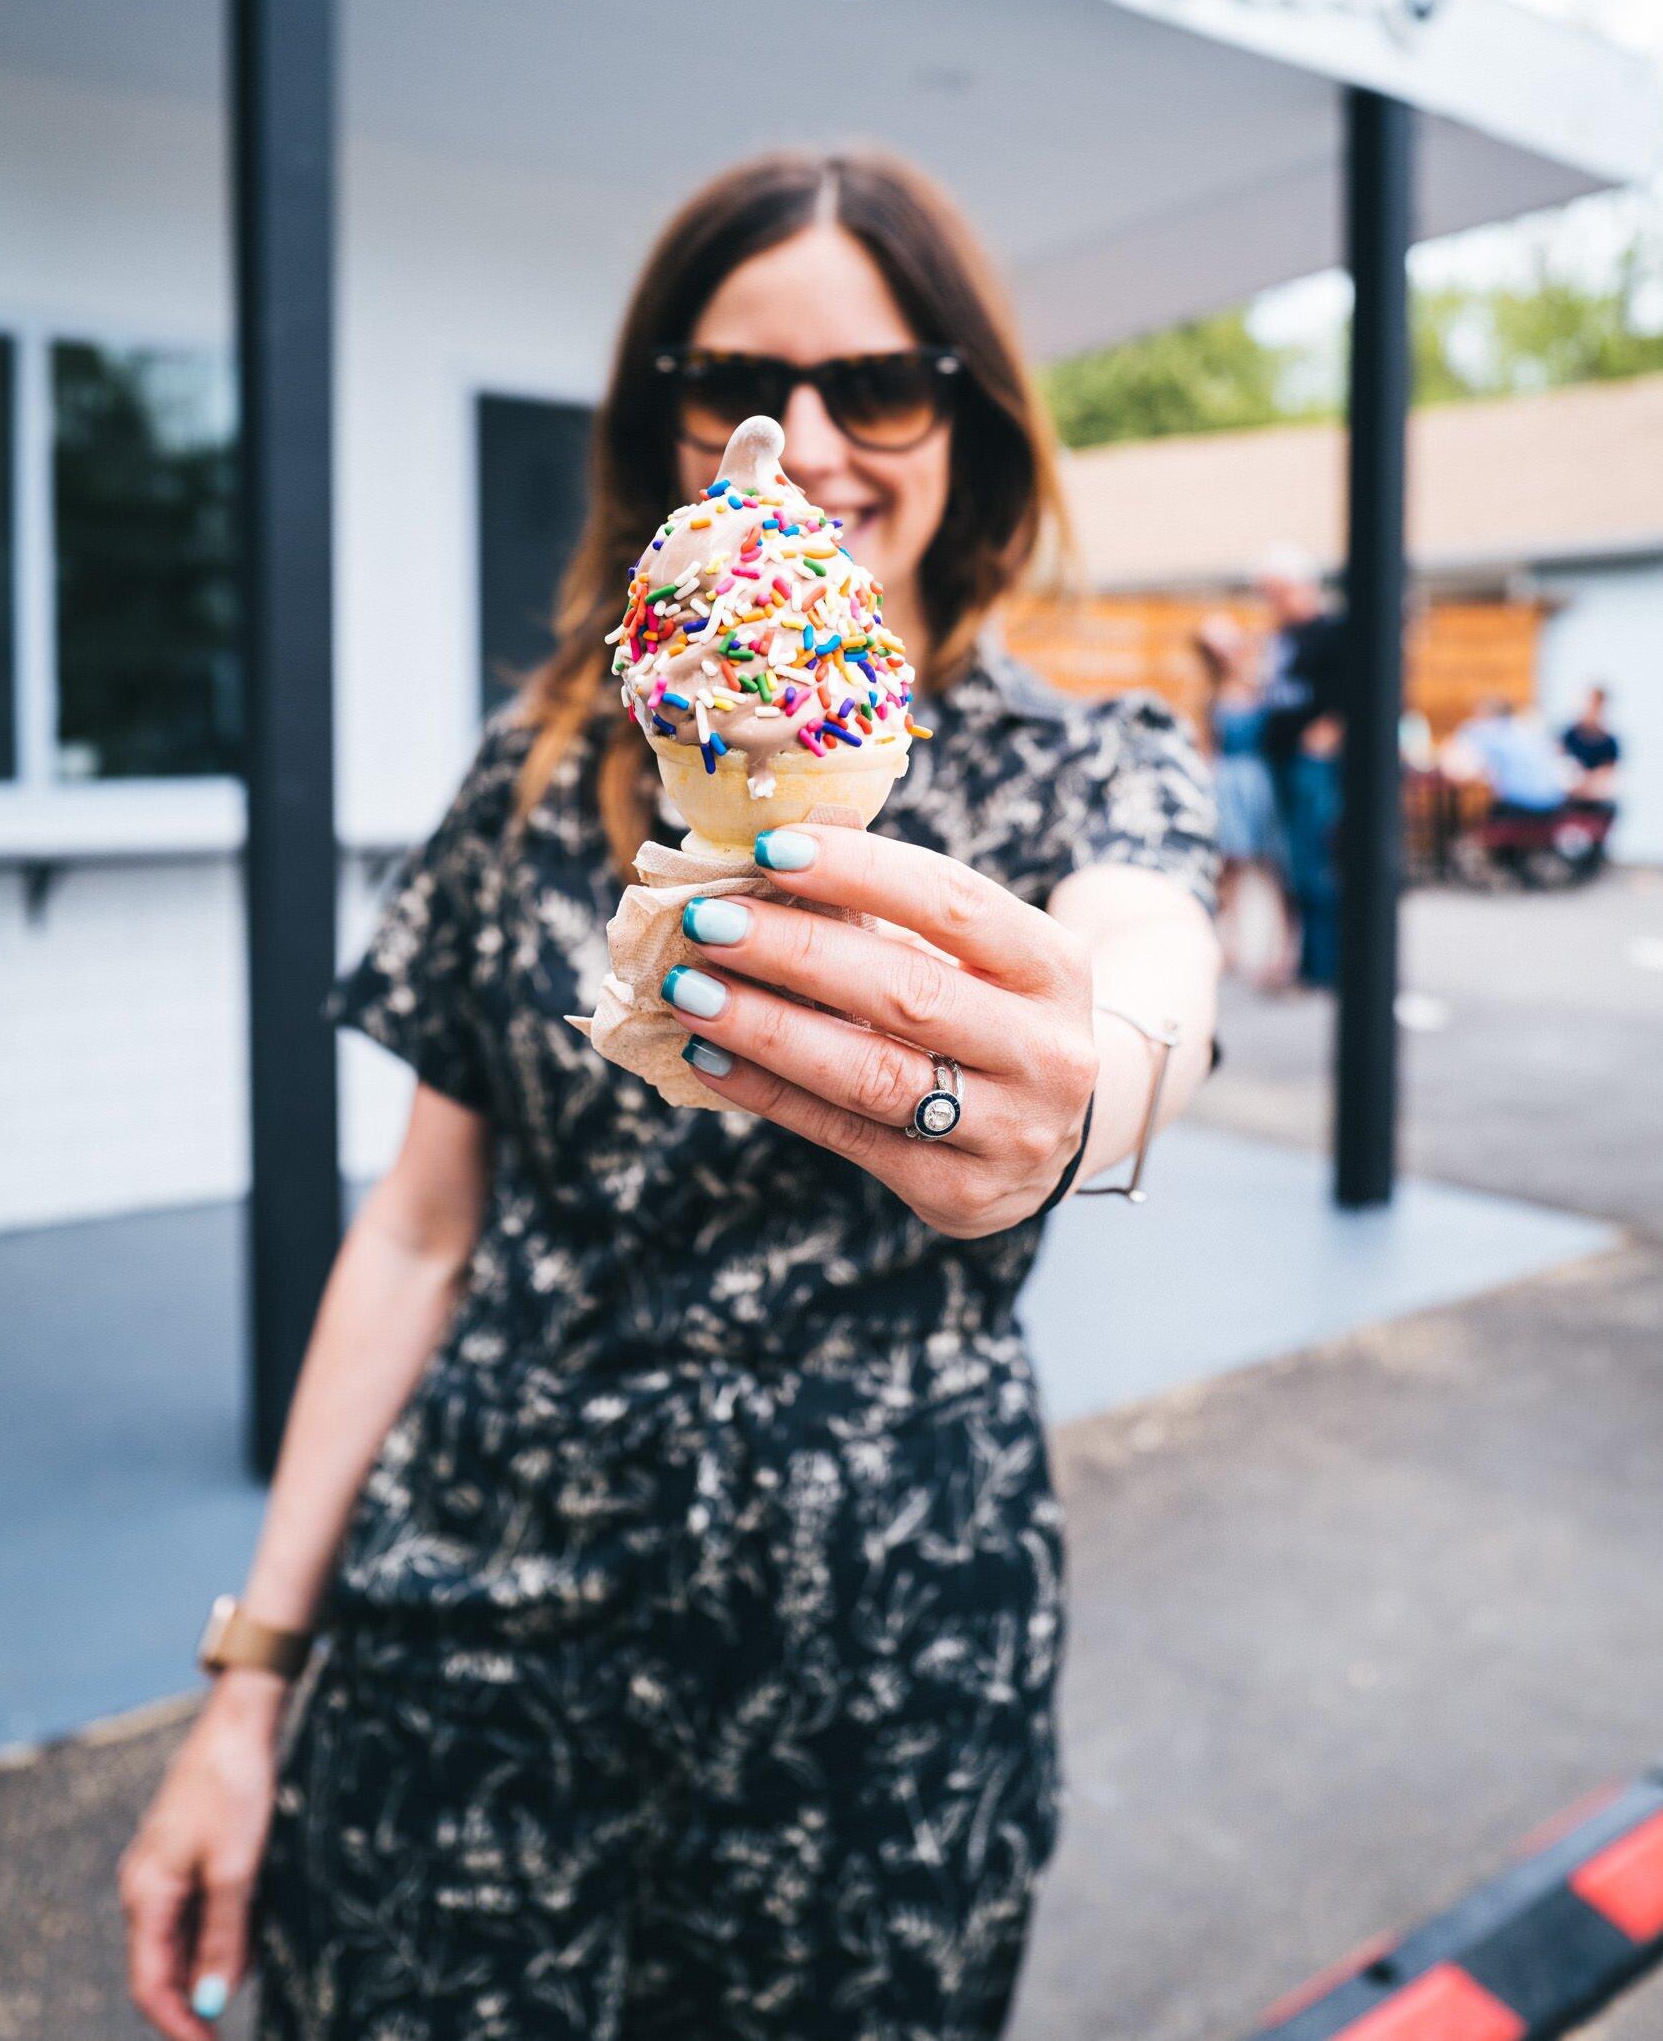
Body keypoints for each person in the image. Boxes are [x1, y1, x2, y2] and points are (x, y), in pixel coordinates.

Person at [119, 148, 1222, 2041]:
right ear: (666, 424)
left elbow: (1145, 971)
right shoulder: (541, 766)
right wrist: (247, 1687)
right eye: (735, 387)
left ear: (965, 419)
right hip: (470, 1640)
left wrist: (1096, 1092)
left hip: (879, 1684)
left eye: (875, 387)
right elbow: (413, 1232)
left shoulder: (1076, 770)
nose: (804, 445)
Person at [1251, 544, 1347, 990]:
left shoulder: (1332, 631)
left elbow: (1358, 690)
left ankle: (1323, 965)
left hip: (1311, 766)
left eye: (1280, 591)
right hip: (1281, 758)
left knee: (1314, 862)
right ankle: (1308, 960)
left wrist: (1326, 735)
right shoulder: (1281, 637)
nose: (1274, 601)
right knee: (1294, 864)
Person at [1191, 612, 1294, 987]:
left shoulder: (1264, 687)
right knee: (1228, 870)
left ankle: (1279, 950)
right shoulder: (1214, 696)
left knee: (1272, 868)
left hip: (1260, 781)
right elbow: (1208, 748)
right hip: (1229, 783)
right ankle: (1226, 943)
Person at [1447, 697, 1570, 821]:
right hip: (1555, 807)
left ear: (1485, 714)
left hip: (1520, 809)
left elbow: (1458, 772)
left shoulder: (1485, 730)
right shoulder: (1529, 729)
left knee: (1474, 827)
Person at [1560, 685, 1621, 818]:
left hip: (1594, 799)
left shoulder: (1609, 742)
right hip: (1570, 797)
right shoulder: (1570, 735)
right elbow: (1557, 762)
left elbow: (1607, 774)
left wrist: (1587, 784)